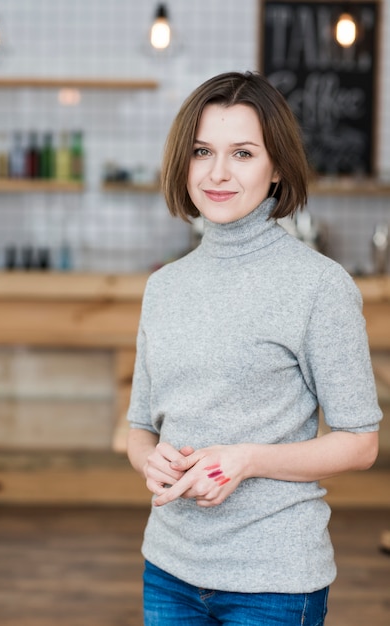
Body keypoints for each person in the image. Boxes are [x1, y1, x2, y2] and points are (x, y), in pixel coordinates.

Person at [126, 71, 382, 626]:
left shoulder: (319, 285)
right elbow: (140, 428)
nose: (217, 173)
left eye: (242, 153)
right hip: (168, 570)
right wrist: (151, 459)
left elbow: (361, 444)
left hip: (274, 583)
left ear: (277, 169)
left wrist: (246, 459)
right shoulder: (163, 286)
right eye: (202, 151)